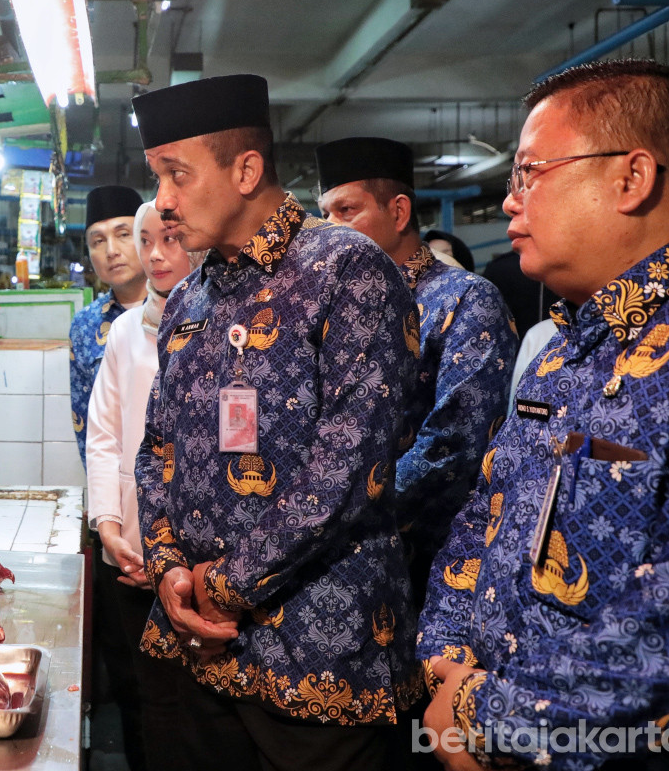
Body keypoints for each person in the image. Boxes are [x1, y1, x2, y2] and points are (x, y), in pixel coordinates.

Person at [131, 74, 421, 771]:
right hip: (195, 656)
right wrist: (169, 568)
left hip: (316, 668)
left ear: (246, 170)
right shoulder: (189, 300)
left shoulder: (348, 273)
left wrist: (225, 587)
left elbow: (351, 468)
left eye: (177, 175)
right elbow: (156, 451)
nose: (163, 202)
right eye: (157, 178)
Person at [418, 59, 669, 770]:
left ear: (631, 178)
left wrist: (486, 716)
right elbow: (487, 511)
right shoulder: (565, 351)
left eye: (529, 173)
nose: (510, 202)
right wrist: (447, 661)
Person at [316, 137, 518, 605]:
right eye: (323, 215)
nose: (329, 230)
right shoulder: (334, 309)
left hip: (431, 563)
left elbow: (454, 446)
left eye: (345, 211)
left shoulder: (465, 300)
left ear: (399, 212)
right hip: (335, 558)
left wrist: (339, 516)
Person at [86, 200, 202, 771]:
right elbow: (104, 436)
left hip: (208, 563)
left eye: (171, 239)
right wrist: (107, 523)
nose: (156, 254)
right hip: (134, 548)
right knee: (153, 699)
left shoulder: (232, 327)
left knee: (205, 709)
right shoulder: (126, 333)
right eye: (146, 239)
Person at [69, 184, 145, 465]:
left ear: (145, 237)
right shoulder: (85, 325)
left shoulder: (182, 309)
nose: (111, 250)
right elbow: (84, 421)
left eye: (123, 234)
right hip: (116, 481)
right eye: (98, 241)